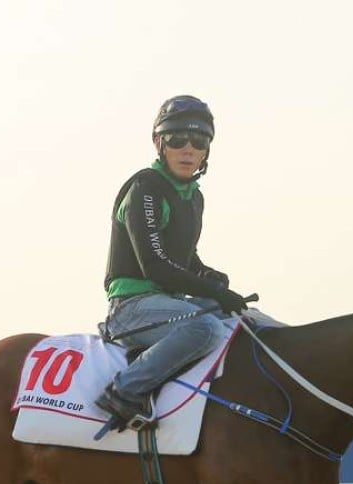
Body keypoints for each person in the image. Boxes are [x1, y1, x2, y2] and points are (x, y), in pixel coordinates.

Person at [96, 95, 253, 431]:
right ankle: (124, 390)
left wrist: (210, 276)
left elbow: (184, 258)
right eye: (177, 139)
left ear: (206, 151)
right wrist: (211, 290)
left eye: (199, 141)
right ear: (159, 144)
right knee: (206, 329)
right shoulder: (145, 189)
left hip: (169, 303)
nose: (188, 149)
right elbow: (155, 265)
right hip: (131, 308)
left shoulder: (193, 196)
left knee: (242, 318)